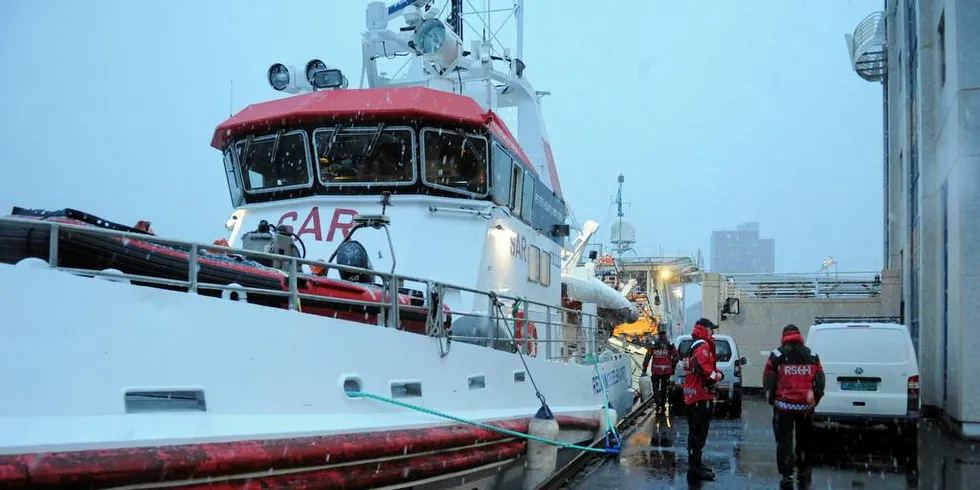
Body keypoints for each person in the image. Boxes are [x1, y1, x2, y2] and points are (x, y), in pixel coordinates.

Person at [763, 324, 826, 489]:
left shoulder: (777, 354)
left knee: (784, 441)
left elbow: (769, 379)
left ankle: (787, 475)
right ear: (799, 336)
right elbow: (820, 380)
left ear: (784, 336)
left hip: (784, 406)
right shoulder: (812, 355)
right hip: (805, 407)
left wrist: (771, 398)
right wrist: (815, 399)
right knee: (804, 440)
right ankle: (804, 472)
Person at [683, 318, 724, 482]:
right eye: (711, 329)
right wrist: (715, 377)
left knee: (695, 432)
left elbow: (700, 365)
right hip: (700, 395)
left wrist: (716, 372)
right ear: (705, 329)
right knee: (699, 433)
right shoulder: (703, 345)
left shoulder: (693, 344)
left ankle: (696, 464)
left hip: (693, 394)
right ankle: (694, 468)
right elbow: (702, 367)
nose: (713, 332)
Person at [641, 330, 679, 412]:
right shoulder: (670, 345)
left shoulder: (654, 345)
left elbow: (648, 355)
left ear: (658, 335)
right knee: (664, 388)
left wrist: (645, 367)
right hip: (666, 371)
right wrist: (672, 366)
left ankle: (657, 403)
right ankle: (662, 405)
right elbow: (676, 357)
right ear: (666, 335)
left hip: (656, 371)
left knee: (655, 387)